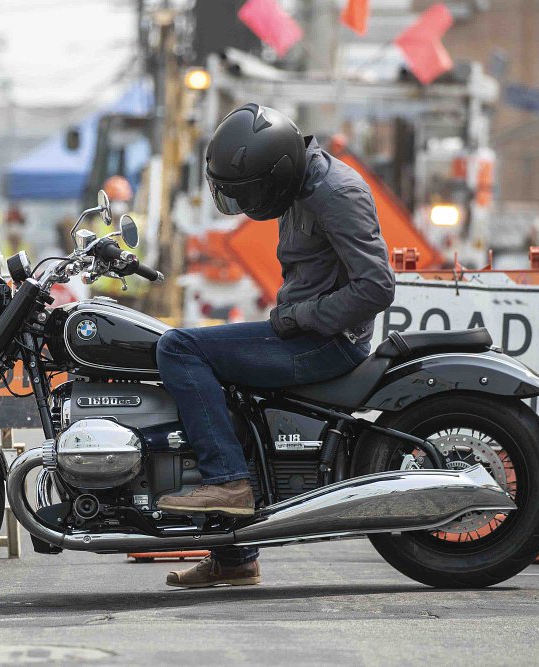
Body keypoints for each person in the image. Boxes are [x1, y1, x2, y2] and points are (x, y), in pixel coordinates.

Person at [155, 104, 396, 588]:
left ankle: (228, 482)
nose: (250, 202)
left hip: (326, 342)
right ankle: (235, 558)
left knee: (178, 348)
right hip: (302, 330)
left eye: (252, 192)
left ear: (278, 173)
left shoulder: (337, 194)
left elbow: (376, 286)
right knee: (214, 386)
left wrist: (299, 317)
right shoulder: (298, 185)